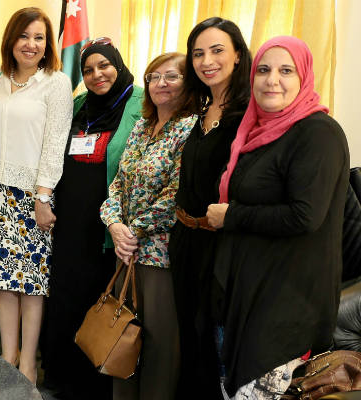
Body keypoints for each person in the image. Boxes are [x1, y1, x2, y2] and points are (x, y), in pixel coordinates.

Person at [207, 36, 348, 399]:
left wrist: (233, 216)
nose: (272, 81)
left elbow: (305, 216)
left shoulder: (319, 133)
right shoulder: (256, 132)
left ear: (304, 77)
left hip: (284, 307)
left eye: (286, 71)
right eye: (264, 70)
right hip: (246, 297)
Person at [41, 39, 142, 398]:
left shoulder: (140, 104)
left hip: (110, 225)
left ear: (118, 64)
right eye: (88, 69)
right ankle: (62, 377)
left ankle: (97, 383)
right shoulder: (80, 105)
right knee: (67, 296)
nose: (96, 74)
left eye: (104, 66)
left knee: (101, 300)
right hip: (70, 222)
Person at [0, 8, 72, 382]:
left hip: (33, 194)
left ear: (47, 44)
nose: (31, 45)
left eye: (39, 38)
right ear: (11, 41)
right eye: (24, 36)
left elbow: (54, 142)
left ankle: (29, 364)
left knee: (32, 283)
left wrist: (44, 195)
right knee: (4, 280)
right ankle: (7, 357)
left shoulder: (56, 82)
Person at [99, 52, 196, 400]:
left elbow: (177, 193)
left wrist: (133, 231)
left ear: (189, 83)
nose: (160, 84)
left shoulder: (190, 128)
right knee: (121, 337)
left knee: (157, 346)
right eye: (153, 77)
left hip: (159, 256)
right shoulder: (141, 126)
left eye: (170, 77)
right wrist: (113, 224)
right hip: (125, 251)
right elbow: (118, 184)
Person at [169, 17, 251, 400]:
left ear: (237, 54)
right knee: (189, 341)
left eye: (217, 50)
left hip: (220, 247)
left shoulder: (249, 114)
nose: (207, 61)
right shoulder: (201, 110)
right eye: (198, 53)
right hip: (185, 241)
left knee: (213, 346)